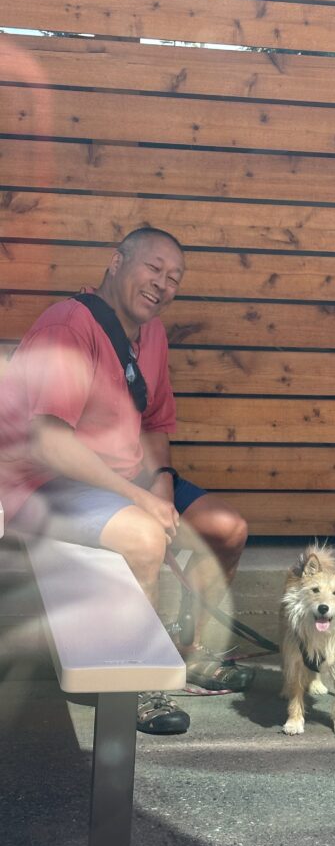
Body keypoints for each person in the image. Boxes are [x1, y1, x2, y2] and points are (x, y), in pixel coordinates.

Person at [0, 227, 252, 734]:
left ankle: (192, 654)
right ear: (117, 262)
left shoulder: (153, 333)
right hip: (42, 484)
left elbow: (156, 425)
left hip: (121, 476)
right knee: (142, 538)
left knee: (225, 528)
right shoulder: (69, 325)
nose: (163, 284)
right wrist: (141, 501)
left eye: (174, 278)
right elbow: (48, 442)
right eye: (154, 269)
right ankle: (132, 683)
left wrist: (160, 486)